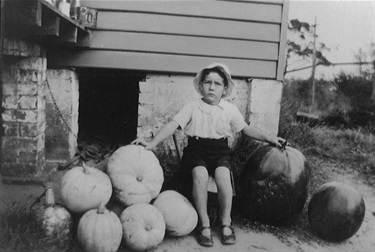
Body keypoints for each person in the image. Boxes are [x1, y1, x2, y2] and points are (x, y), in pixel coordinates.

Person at [131, 63, 284, 246]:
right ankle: (204, 224)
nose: (212, 87)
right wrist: (152, 143)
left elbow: (246, 129)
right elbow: (172, 125)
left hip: (220, 151)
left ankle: (226, 222)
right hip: (196, 151)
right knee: (200, 175)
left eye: (217, 84)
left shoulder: (229, 109)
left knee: (223, 176)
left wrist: (270, 138)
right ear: (200, 86)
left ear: (225, 88)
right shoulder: (192, 107)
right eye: (207, 82)